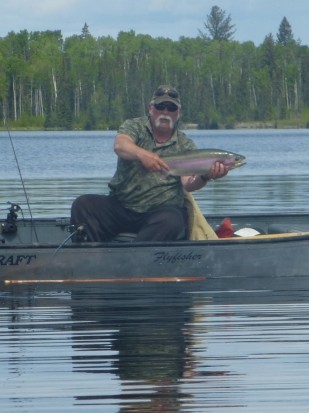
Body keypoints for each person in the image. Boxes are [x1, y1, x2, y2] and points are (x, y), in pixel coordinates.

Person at [71, 85, 229, 242]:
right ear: (150, 109)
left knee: (172, 221)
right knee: (83, 205)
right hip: (121, 206)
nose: (165, 112)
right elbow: (120, 146)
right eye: (160, 106)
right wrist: (142, 155)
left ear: (178, 113)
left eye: (171, 108)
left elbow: (188, 184)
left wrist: (205, 177)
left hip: (160, 212)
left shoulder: (185, 144)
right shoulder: (135, 126)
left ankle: (135, 259)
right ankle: (93, 255)